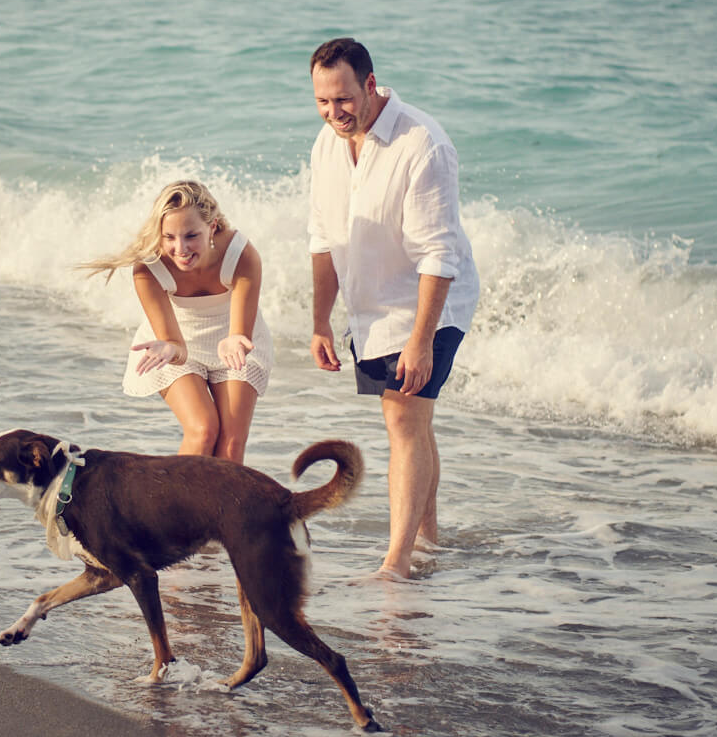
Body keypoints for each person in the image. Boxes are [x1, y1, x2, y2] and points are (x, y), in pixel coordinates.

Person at [306, 37, 481, 579]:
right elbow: (323, 239)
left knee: (403, 416)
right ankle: (426, 540)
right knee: (413, 421)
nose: (334, 112)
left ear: (371, 84)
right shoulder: (327, 145)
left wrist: (421, 339)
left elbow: (439, 254)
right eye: (322, 102)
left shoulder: (422, 144)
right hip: (371, 307)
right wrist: (319, 322)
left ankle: (397, 561)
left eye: (344, 99)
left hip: (430, 302)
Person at [82, 180, 273, 463]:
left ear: (213, 226)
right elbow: (176, 345)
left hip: (234, 342)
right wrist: (171, 349)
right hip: (171, 346)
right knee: (203, 429)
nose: (180, 248)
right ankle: (176, 507)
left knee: (231, 444)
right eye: (169, 237)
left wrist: (235, 339)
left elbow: (238, 334)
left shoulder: (241, 254)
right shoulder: (148, 269)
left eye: (191, 235)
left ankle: (219, 508)